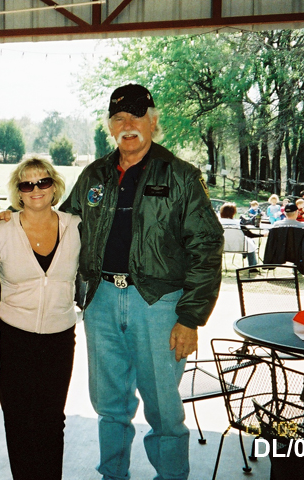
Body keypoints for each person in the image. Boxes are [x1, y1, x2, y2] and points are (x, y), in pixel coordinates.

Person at [59, 84, 223, 480]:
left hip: (159, 303)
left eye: (136, 116)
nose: (127, 125)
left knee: (164, 409)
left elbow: (206, 245)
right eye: (118, 118)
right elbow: (62, 225)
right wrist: (14, 220)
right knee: (110, 406)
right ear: (110, 127)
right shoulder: (94, 175)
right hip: (100, 301)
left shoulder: (181, 176)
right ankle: (113, 475)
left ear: (153, 121)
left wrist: (190, 318)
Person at [0, 158, 80, 480]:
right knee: (18, 419)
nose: (36, 189)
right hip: (13, 336)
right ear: (18, 191)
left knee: (51, 419)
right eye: (27, 184)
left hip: (60, 337)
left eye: (43, 182)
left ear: (54, 186)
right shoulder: (1, 229)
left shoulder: (76, 227)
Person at [219, 202, 266, 269]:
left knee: (249, 243)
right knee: (250, 244)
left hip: (222, 246)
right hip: (240, 246)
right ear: (233, 212)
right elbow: (249, 234)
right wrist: (262, 235)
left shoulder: (217, 223)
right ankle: (252, 267)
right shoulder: (238, 223)